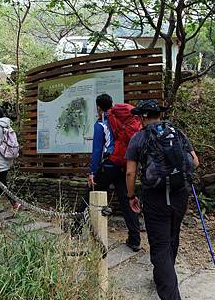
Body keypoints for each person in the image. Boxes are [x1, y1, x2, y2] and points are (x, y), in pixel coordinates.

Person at [125, 100, 200, 300]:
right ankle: (164, 276)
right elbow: (195, 161)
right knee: (172, 237)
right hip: (179, 194)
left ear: (142, 117)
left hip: (155, 197)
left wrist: (131, 196)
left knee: (159, 247)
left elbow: (130, 173)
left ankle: (169, 292)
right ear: (159, 115)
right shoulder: (177, 133)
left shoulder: (138, 138)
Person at [77, 94, 141, 251]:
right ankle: (135, 239)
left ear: (99, 107)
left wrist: (92, 172)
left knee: (90, 195)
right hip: (123, 166)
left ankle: (76, 228)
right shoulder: (120, 121)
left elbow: (97, 150)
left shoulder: (101, 124)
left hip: (108, 167)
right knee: (127, 202)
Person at [0, 107, 21, 211]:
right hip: (7, 156)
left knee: (1, 182)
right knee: (1, 181)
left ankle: (13, 203)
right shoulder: (7, 124)